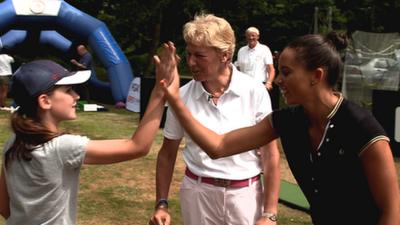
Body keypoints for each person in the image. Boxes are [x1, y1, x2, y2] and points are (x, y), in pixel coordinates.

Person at [159, 33, 400, 225]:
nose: (278, 80)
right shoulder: (287, 121)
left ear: (316, 75)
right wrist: (177, 102)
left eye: (286, 72)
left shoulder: (362, 128)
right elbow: (219, 147)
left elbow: (392, 213)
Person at [0, 42, 176, 225]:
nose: (76, 96)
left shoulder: (13, 142)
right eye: (68, 91)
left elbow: (4, 205)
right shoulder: (62, 147)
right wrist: (159, 90)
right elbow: (138, 146)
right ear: (45, 101)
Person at [149, 14, 281, 225]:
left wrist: (270, 213)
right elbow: (167, 153)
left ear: (225, 56)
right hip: (198, 193)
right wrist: (161, 203)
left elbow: (270, 155)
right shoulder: (180, 95)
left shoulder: (254, 91)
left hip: (245, 195)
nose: (191, 62)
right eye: (189, 53)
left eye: (200, 55)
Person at [235, 27, 278, 109]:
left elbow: (271, 69)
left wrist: (269, 83)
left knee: (261, 110)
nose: (251, 38)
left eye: (253, 35)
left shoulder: (264, 49)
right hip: (244, 86)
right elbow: (238, 69)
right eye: (249, 36)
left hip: (259, 86)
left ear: (258, 36)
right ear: (246, 37)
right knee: (245, 109)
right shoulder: (241, 50)